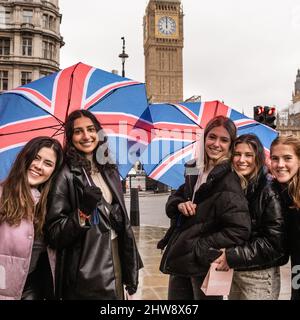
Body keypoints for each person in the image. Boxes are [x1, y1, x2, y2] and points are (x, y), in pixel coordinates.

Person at [45, 109, 143, 300]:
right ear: (70, 137)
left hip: (115, 255)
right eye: (78, 131)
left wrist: (116, 214)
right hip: (87, 268)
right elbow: (55, 234)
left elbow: (122, 223)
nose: (86, 136)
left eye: (91, 129)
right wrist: (83, 212)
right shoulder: (64, 175)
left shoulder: (109, 169)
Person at [159, 115, 251, 300]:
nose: (216, 144)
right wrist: (179, 204)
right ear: (204, 137)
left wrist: (201, 247)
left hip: (203, 263)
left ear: (231, 145)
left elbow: (240, 229)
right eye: (212, 137)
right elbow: (181, 193)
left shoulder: (228, 179)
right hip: (181, 257)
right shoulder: (194, 167)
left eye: (224, 140)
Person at [213, 134, 286, 300]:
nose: (241, 160)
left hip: (259, 276)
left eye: (248, 155)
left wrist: (232, 256)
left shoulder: (268, 190)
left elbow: (275, 244)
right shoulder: (235, 186)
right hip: (236, 270)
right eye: (237, 154)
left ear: (258, 158)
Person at [0, 137, 63, 300]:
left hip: (34, 290)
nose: (39, 166)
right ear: (25, 157)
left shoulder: (50, 203)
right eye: (36, 158)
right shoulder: (2, 195)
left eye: (48, 163)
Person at [270, 135, 300, 300]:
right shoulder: (276, 190)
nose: (280, 164)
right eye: (275, 158)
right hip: (297, 268)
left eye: (287, 158)